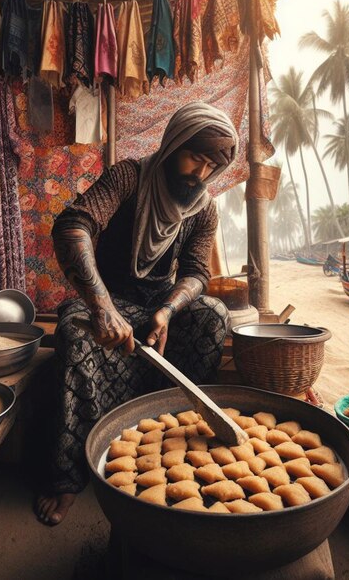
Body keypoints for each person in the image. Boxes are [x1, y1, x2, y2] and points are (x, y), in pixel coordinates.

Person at [35, 102, 237, 525]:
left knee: (215, 317)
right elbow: (74, 225)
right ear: (174, 144)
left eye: (210, 166)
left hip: (158, 307)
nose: (200, 173)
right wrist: (102, 307)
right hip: (109, 301)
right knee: (74, 334)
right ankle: (69, 477)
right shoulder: (129, 177)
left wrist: (167, 310)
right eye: (195, 158)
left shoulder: (204, 207)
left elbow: (199, 273)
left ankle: (171, 443)